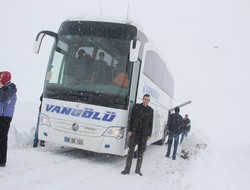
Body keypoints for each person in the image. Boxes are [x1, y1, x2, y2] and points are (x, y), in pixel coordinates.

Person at [121, 94, 154, 176]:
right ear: (142, 99)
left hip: (144, 135)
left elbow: (150, 123)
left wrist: (149, 134)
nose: (146, 101)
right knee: (130, 151)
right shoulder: (136, 107)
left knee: (141, 153)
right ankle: (127, 169)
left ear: (149, 101)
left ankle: (138, 170)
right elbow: (131, 119)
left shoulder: (151, 110)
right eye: (145, 99)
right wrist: (129, 130)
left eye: (147, 100)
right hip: (134, 133)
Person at [0, 71, 17, 167]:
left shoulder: (10, 87)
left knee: (2, 137)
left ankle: (2, 160)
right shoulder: (6, 87)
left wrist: (1, 88)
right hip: (3, 115)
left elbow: (3, 97)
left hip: (5, 116)